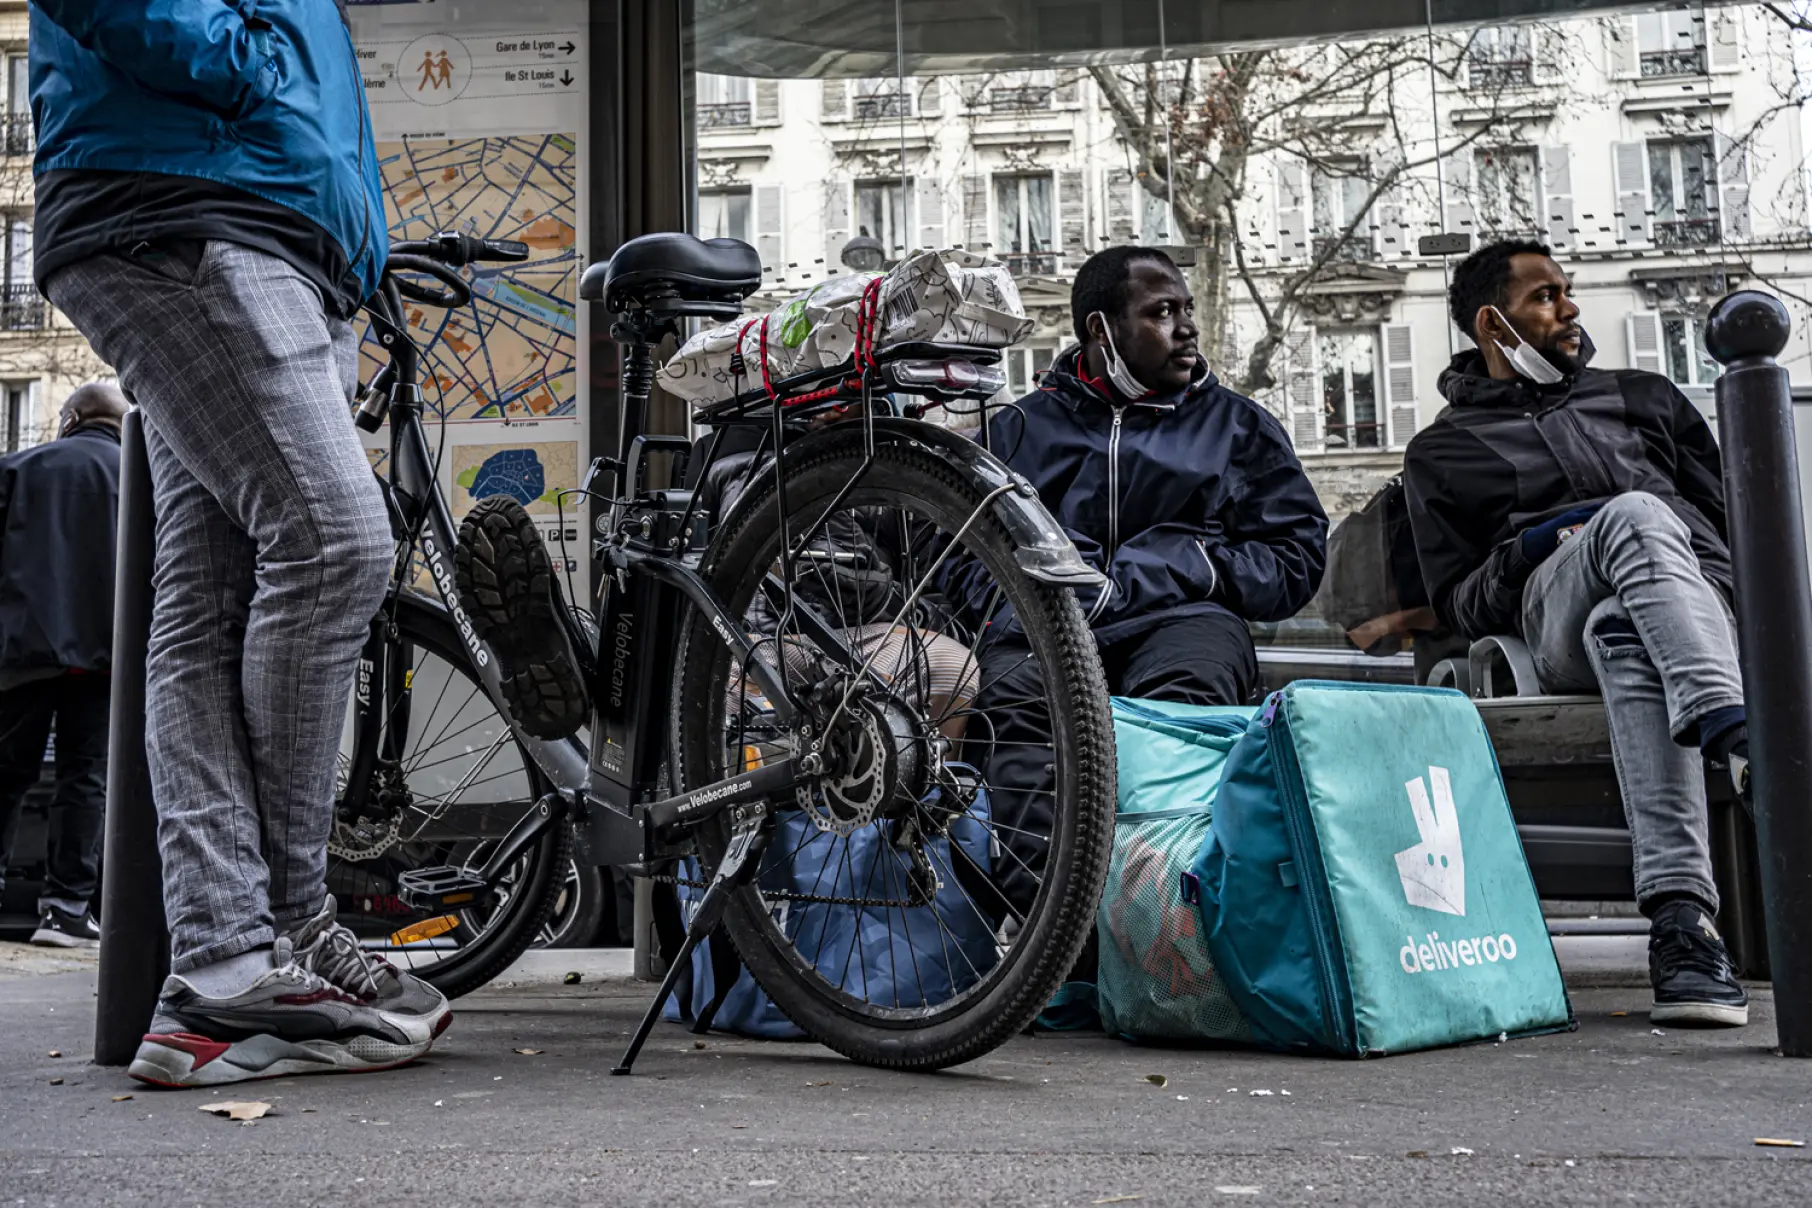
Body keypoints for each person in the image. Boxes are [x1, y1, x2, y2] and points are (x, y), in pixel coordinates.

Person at [32, 0, 449, 1085]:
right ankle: (292, 923)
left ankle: (223, 974)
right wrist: (245, 67)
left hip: (242, 211)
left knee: (204, 601)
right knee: (339, 543)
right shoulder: (235, 75)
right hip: (190, 208)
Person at [1403, 238, 1749, 1028]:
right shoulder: (1442, 451)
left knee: (1625, 627)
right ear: (1494, 324)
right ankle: (1737, 734)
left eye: (1566, 291)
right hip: (1547, 631)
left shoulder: (1646, 397)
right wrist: (1535, 546)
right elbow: (1456, 601)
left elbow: (1736, 531)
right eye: (1546, 297)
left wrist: (1692, 585)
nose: (1570, 309)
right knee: (1632, 515)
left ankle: (1683, 928)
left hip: (1684, 614)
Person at [969, 246, 1328, 913]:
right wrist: (1024, 596)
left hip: (1184, 620)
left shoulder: (1239, 428)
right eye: (1162, 312)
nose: (1187, 328)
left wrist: (1202, 563)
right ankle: (1044, 950)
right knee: (1022, 718)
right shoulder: (1016, 431)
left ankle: (1164, 932)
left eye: (1187, 310)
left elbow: (1298, 558)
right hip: (1048, 626)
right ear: (1100, 332)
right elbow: (961, 558)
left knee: (1178, 721)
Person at [0, 385, 126, 946]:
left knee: (5, 775)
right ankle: (65, 911)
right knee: (86, 776)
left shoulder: (20, 467)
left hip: (23, 649)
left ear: (71, 418)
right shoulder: (143, 482)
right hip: (105, 658)